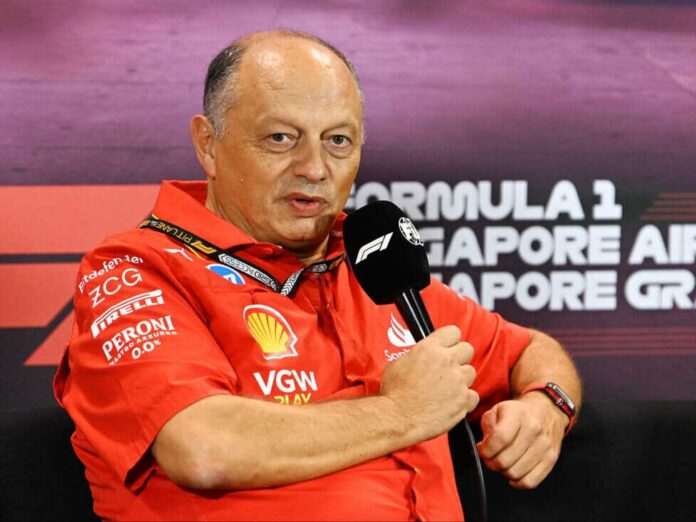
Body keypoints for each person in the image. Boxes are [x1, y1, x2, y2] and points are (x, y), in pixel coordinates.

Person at [54, 29, 582, 521]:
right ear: (208, 144)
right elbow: (203, 447)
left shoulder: (371, 261)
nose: (314, 167)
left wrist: (547, 405)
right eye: (281, 138)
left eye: (338, 140)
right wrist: (402, 411)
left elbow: (529, 351)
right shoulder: (138, 269)